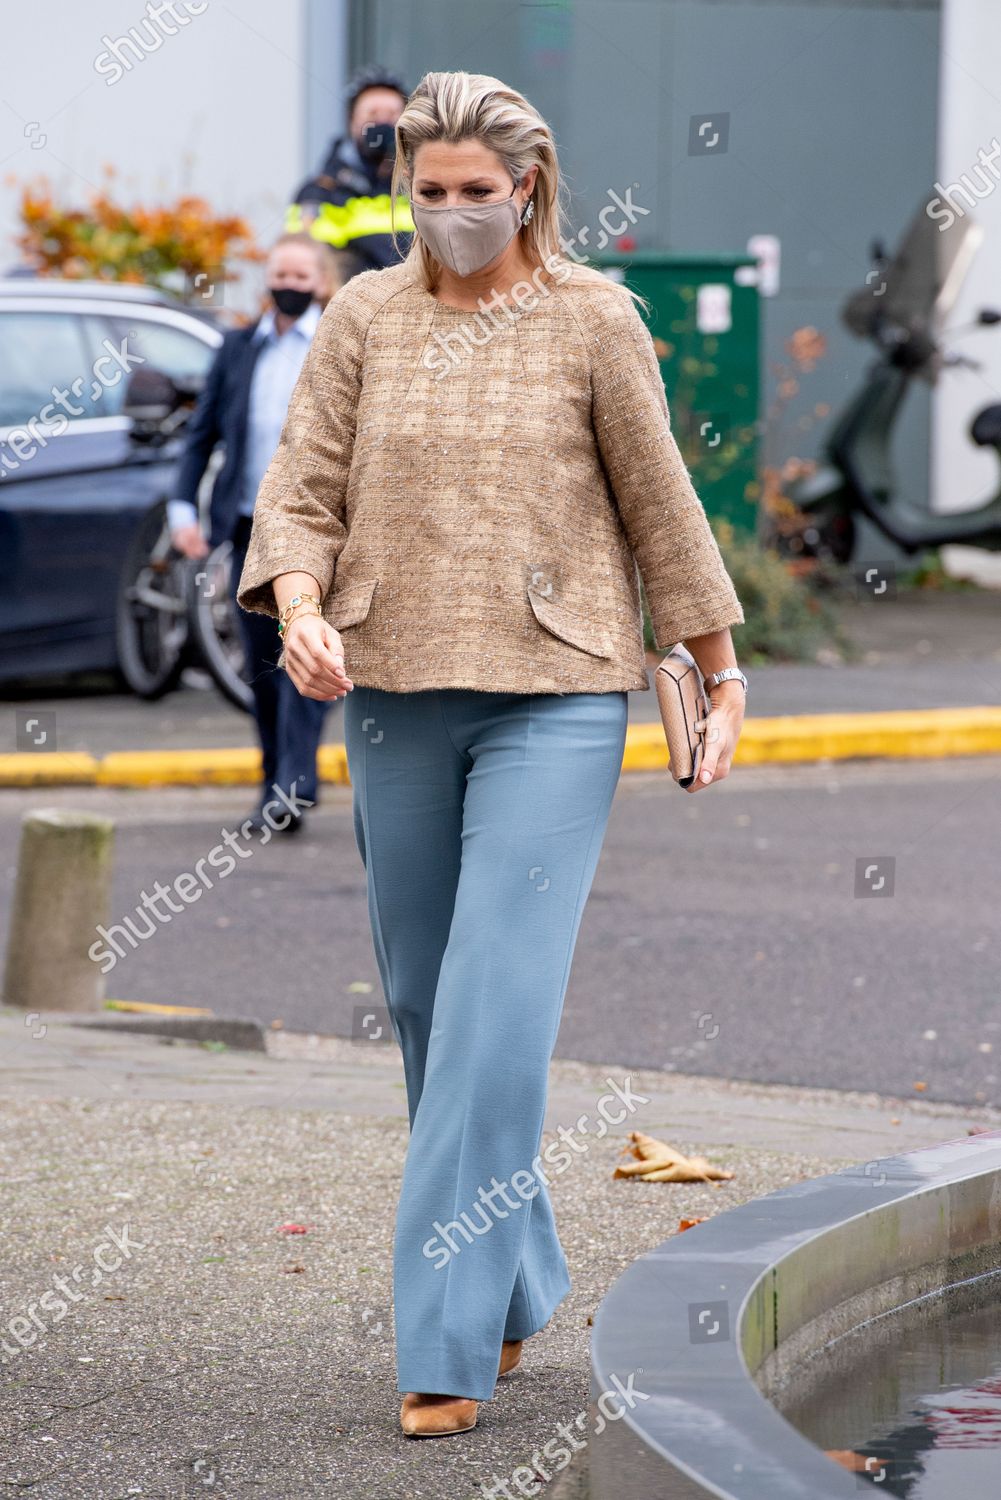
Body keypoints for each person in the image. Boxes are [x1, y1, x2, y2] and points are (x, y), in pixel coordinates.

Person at [237, 70, 747, 1434]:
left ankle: (444, 1342)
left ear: (530, 187)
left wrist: (715, 664)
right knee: (420, 999)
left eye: (481, 191)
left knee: (492, 1009)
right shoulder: (361, 317)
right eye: (433, 190)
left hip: (557, 692)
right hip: (391, 681)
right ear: (406, 187)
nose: (456, 213)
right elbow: (302, 491)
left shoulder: (593, 320)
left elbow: (661, 502)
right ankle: (516, 1275)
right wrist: (297, 609)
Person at [168, 233, 342, 833]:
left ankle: (295, 782)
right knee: (263, 663)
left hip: (319, 531)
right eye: (279, 275)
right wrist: (182, 509)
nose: (288, 286)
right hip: (248, 528)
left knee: (306, 649)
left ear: (319, 282)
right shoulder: (239, 347)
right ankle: (275, 780)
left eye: (300, 276)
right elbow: (203, 436)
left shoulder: (338, 343)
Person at [286, 65, 415, 277]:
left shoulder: (427, 183)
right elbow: (302, 255)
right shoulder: (320, 191)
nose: (382, 122)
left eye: (392, 114)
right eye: (372, 113)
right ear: (352, 121)